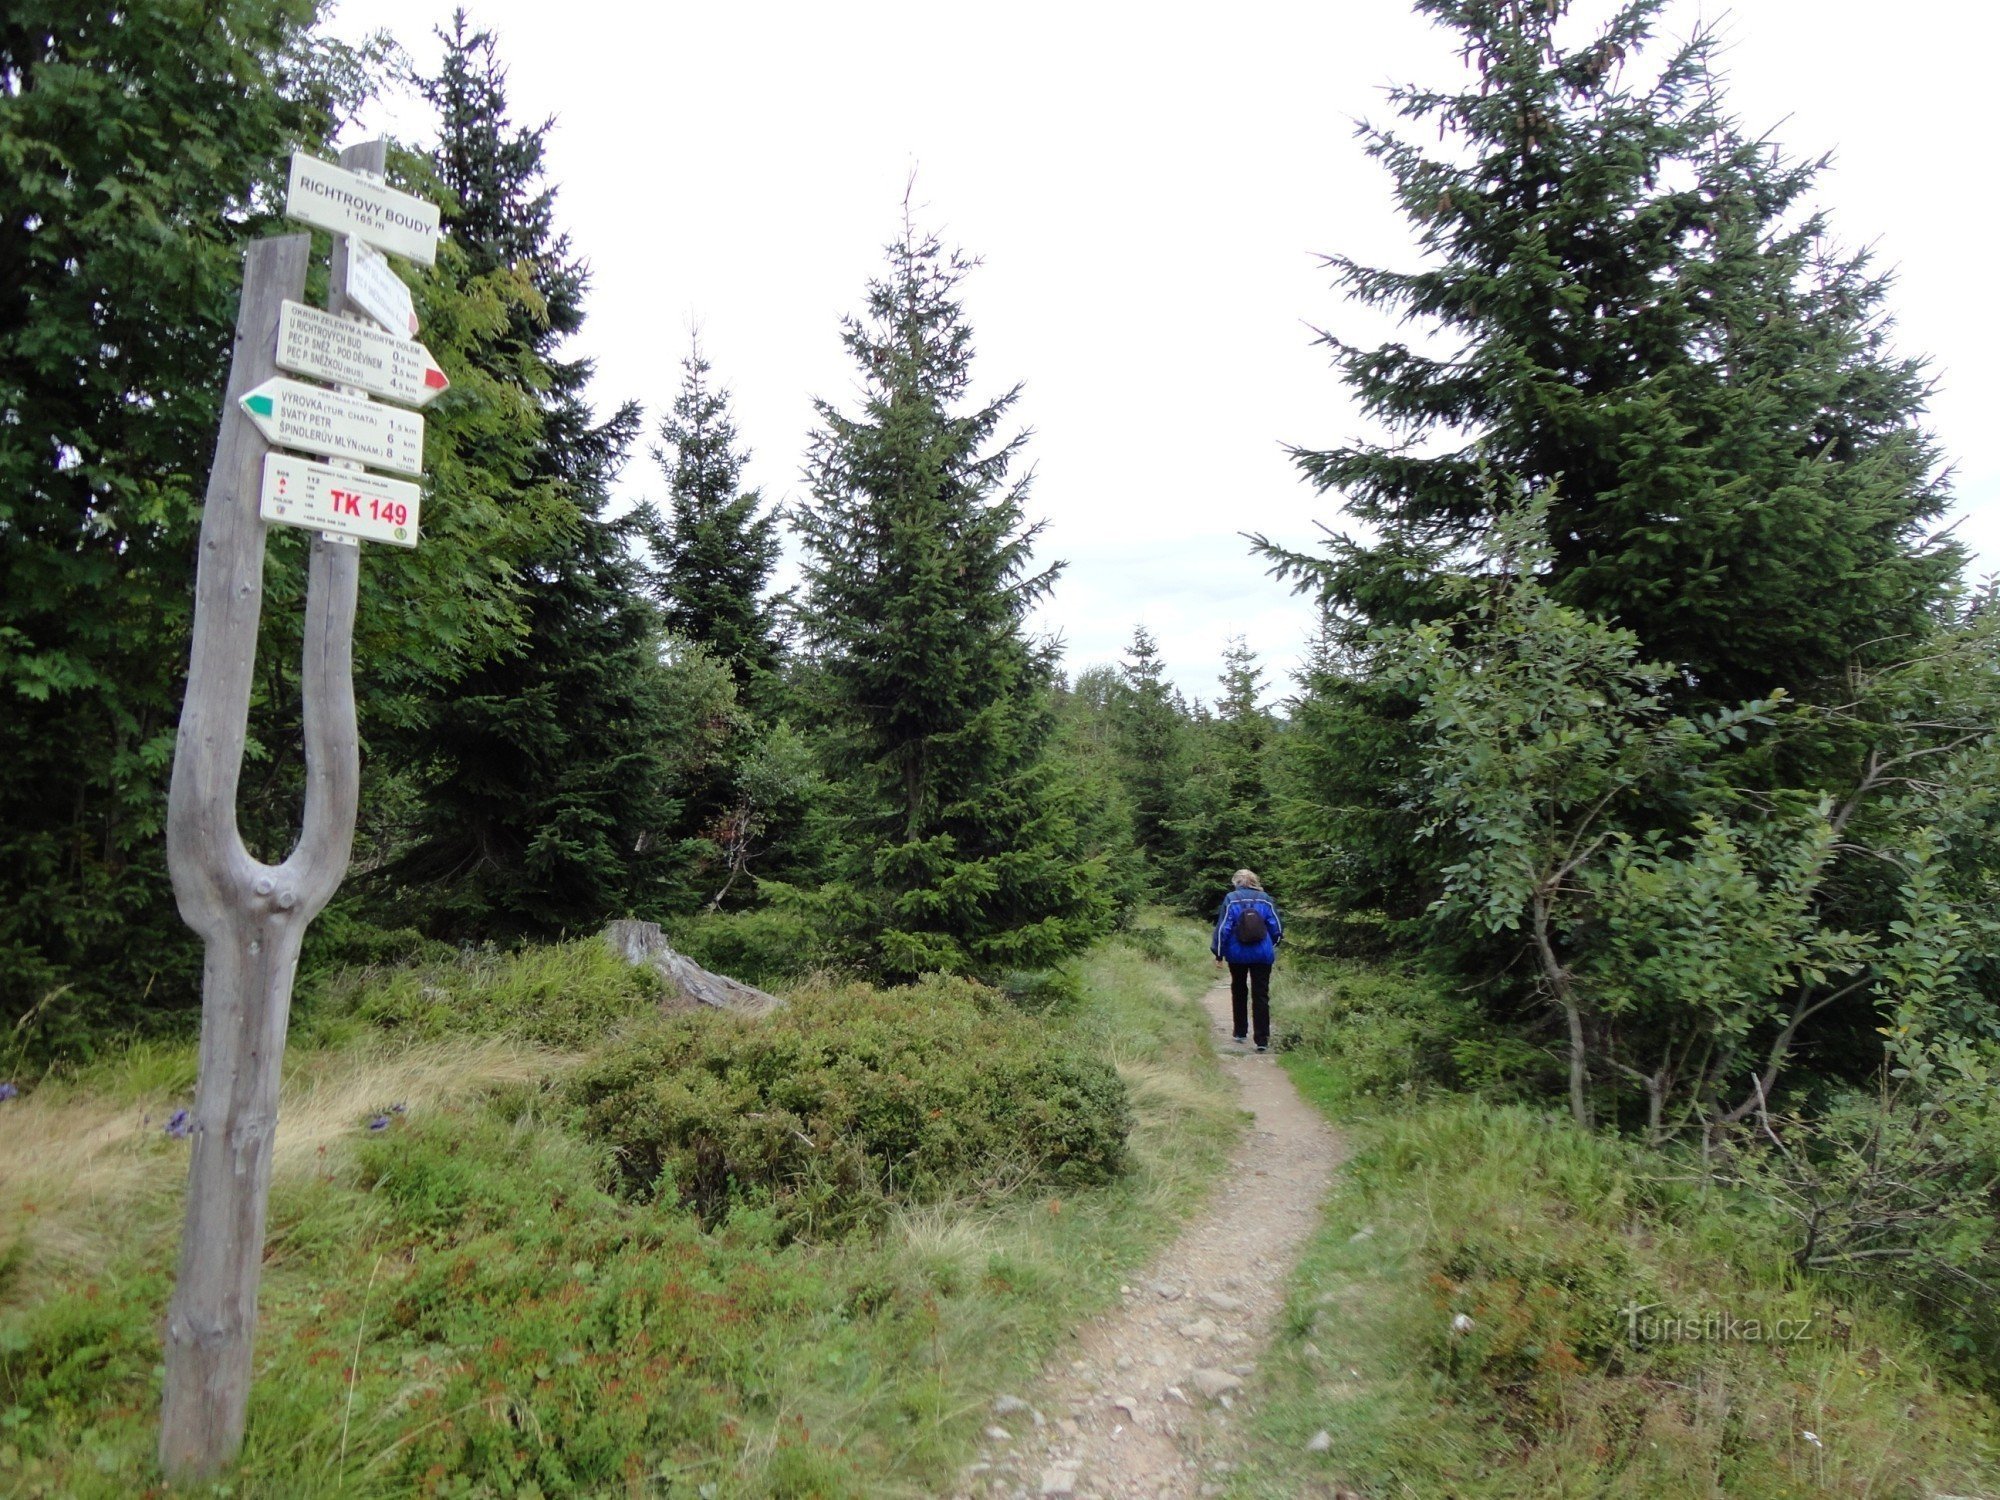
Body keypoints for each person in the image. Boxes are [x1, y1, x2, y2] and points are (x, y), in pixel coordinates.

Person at [1212, 869, 1282, 1052]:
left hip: (1237, 954)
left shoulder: (1231, 898)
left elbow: (1223, 928)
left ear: (1236, 882)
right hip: (1262, 955)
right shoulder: (1265, 898)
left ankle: (1240, 1031)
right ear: (1254, 881)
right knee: (1261, 995)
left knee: (1239, 989)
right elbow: (1276, 927)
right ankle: (1262, 1040)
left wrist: (1219, 953)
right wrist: (1271, 944)